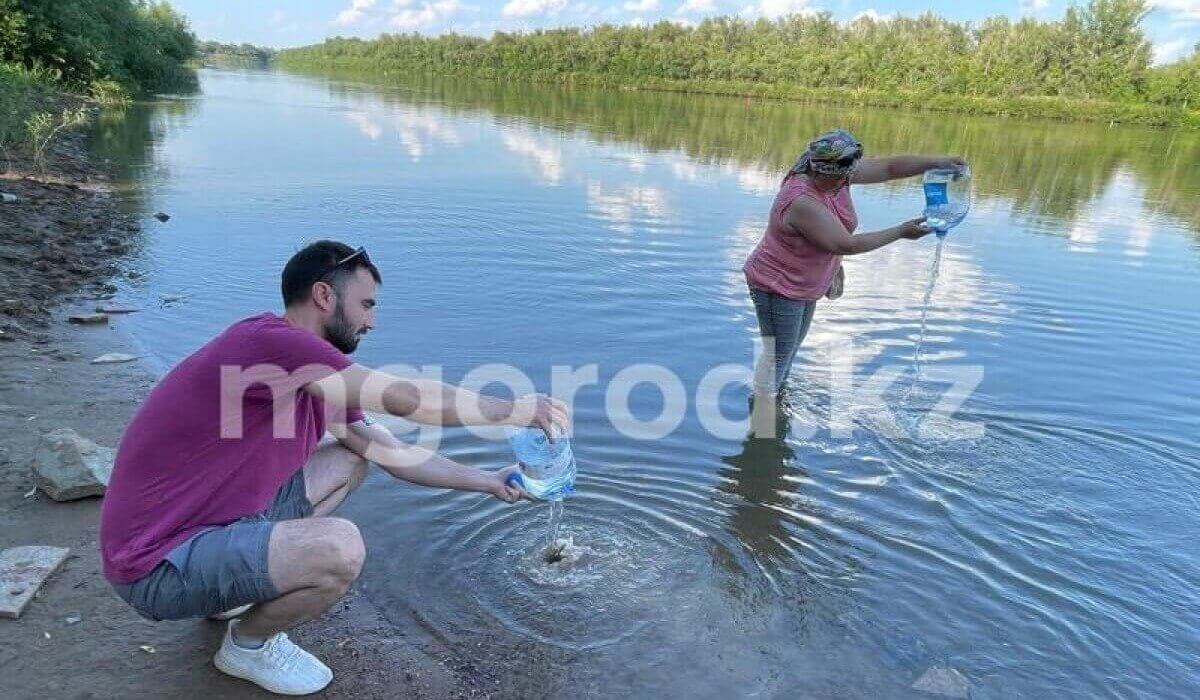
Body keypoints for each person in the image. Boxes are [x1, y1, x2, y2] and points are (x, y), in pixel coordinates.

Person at [99, 240, 569, 695]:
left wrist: (487, 481)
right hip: (153, 566)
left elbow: (384, 448)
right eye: (366, 304)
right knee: (340, 548)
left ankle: (229, 592)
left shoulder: (311, 373)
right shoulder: (267, 343)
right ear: (324, 295)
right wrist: (512, 409)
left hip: (204, 530)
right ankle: (247, 646)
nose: (372, 321)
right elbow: (404, 400)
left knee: (350, 456)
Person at [743, 129, 967, 399]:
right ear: (821, 170)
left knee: (787, 352)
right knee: (777, 357)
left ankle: (773, 403)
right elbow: (845, 245)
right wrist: (900, 231)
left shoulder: (839, 169)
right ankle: (763, 422)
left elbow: (889, 167)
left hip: (805, 281)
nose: (845, 181)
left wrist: (937, 162)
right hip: (777, 284)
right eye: (839, 177)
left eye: (848, 175)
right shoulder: (801, 200)